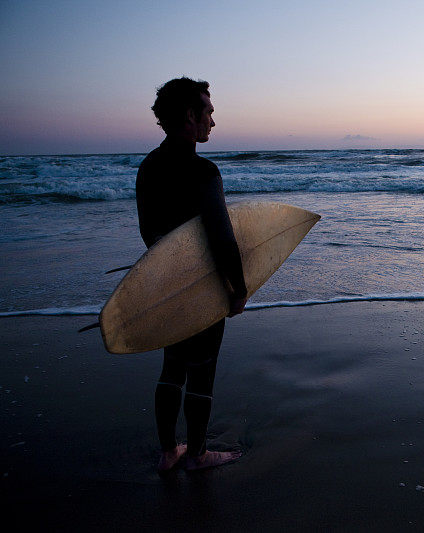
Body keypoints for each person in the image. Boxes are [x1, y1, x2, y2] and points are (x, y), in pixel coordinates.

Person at [136, 77, 246, 472]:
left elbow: (149, 231)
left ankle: (169, 452)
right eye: (208, 112)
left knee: (173, 366)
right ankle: (198, 454)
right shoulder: (203, 170)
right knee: (202, 371)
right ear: (189, 115)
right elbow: (221, 235)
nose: (212, 122)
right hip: (202, 286)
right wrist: (239, 288)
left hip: (165, 284)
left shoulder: (148, 166)